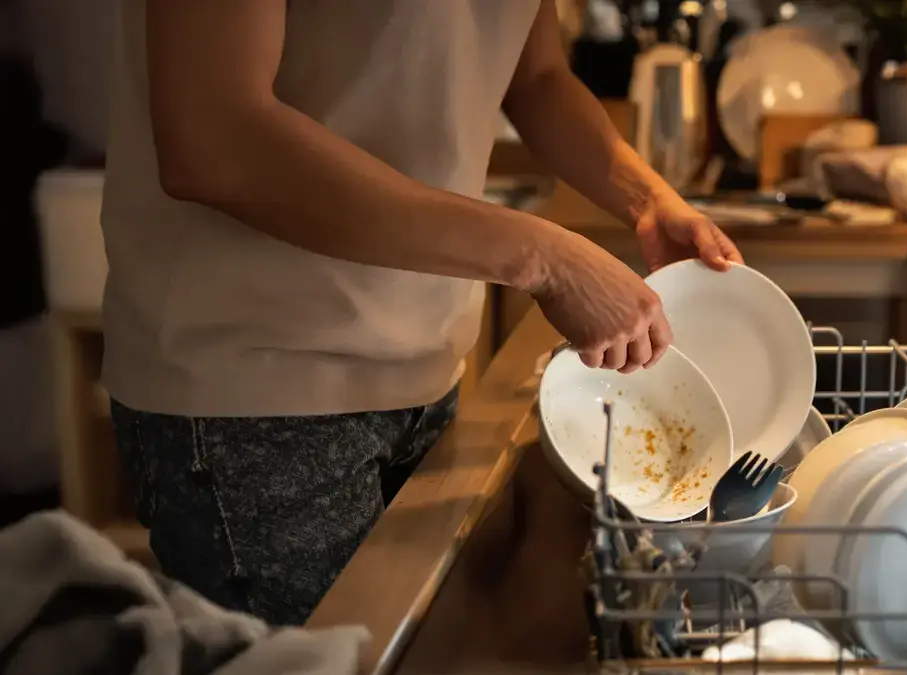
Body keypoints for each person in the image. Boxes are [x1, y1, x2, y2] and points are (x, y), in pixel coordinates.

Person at [101, 0, 743, 627]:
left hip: (427, 369)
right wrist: (544, 259)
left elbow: (537, 76)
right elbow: (214, 136)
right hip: (253, 388)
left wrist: (647, 201)